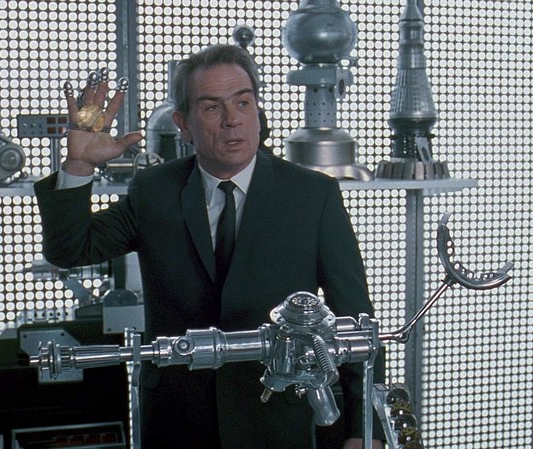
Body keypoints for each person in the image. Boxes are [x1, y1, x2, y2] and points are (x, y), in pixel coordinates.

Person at [34, 44, 384, 448]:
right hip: (176, 420)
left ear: (258, 112)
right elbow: (70, 250)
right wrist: (79, 165)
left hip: (277, 420)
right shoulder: (154, 191)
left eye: (243, 102)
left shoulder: (312, 195)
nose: (232, 120)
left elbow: (356, 319)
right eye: (212, 107)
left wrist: (365, 429)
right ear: (183, 124)